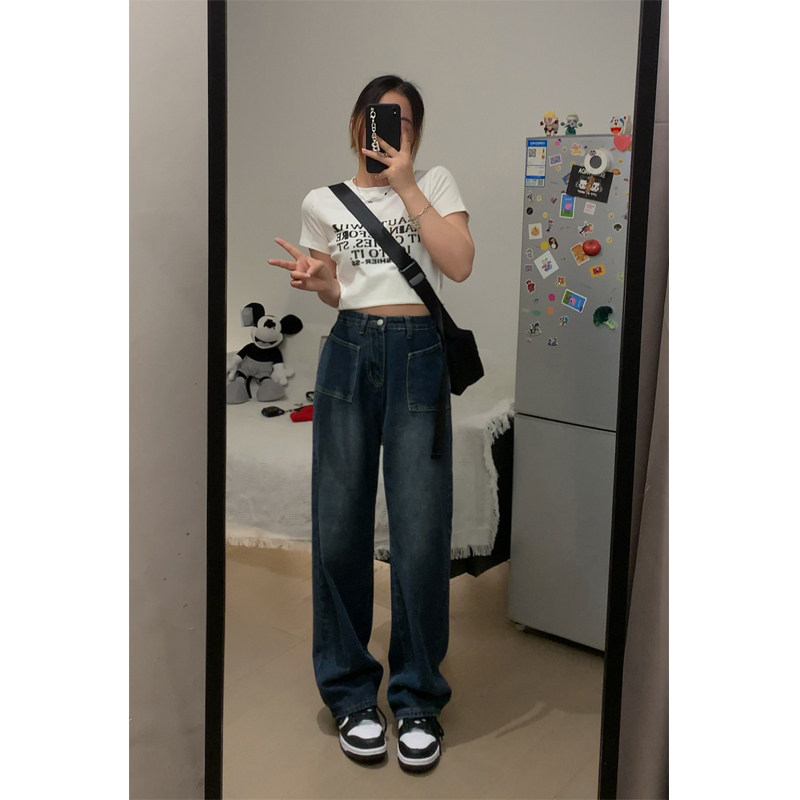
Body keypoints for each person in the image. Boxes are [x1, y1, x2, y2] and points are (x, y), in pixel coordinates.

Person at [268, 75, 474, 773]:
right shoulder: (321, 200)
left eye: (402, 120)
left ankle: (417, 698)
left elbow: (459, 264)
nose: (387, 128)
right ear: (356, 122)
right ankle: (352, 694)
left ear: (415, 132)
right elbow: (340, 290)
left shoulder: (435, 183)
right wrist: (319, 282)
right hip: (350, 350)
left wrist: (407, 183)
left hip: (418, 353)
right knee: (339, 527)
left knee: (421, 531)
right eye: (377, 116)